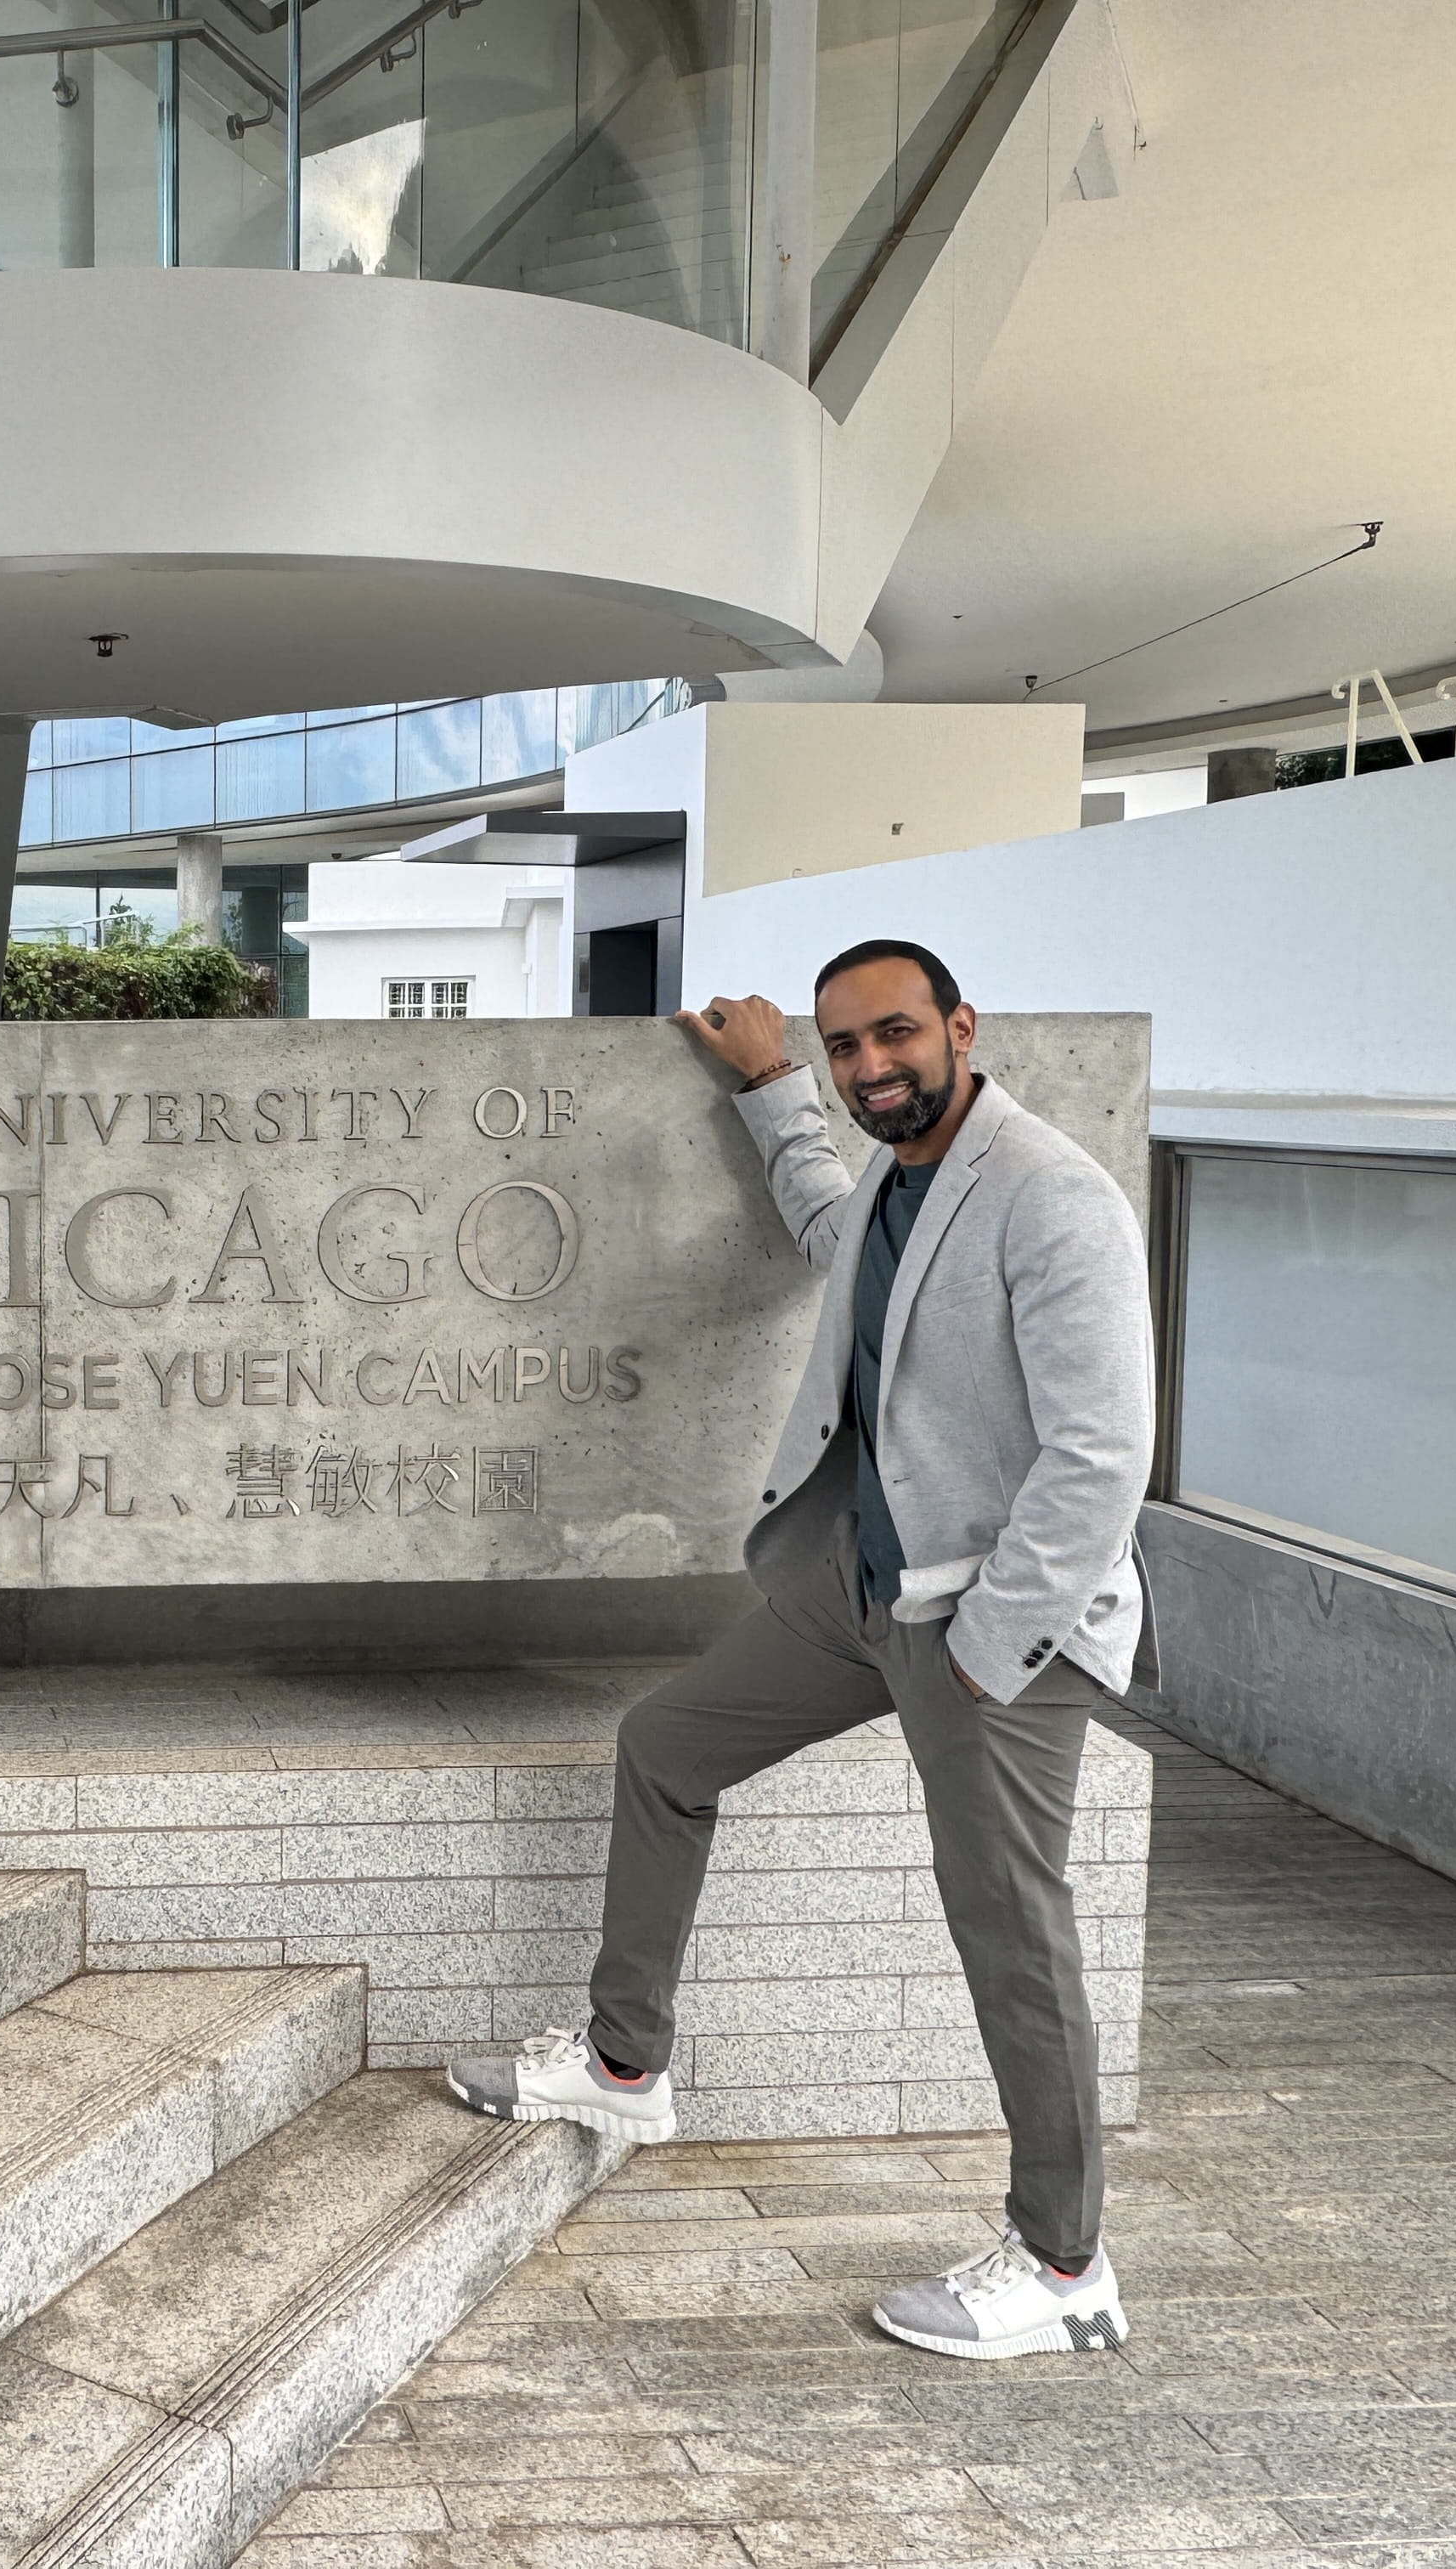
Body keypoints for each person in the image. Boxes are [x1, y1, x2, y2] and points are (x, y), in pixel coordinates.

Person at [445, 940, 1155, 2362]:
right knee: (666, 1744)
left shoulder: (1054, 1199)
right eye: (843, 1047)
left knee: (1013, 1932)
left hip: (988, 1625)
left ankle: (1064, 2260)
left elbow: (1101, 1453)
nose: (870, 1065)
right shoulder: (902, 1179)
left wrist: (980, 1650)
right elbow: (831, 1233)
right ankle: (624, 2060)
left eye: (893, 1034)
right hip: (863, 1593)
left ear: (962, 1024)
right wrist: (769, 1083)